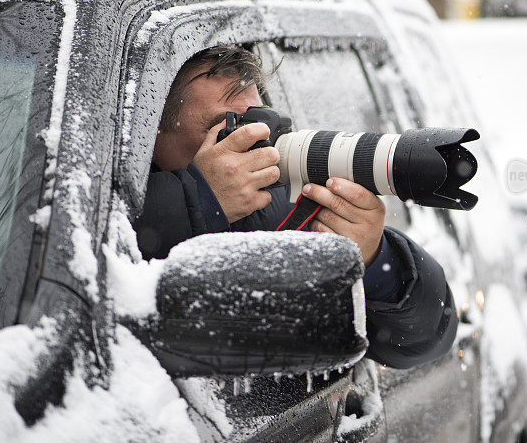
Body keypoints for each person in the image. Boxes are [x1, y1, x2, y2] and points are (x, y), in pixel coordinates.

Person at [133, 45, 458, 369]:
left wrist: (376, 260)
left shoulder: (288, 209)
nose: (256, 147)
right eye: (228, 129)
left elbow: (427, 338)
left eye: (258, 124)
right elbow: (97, 272)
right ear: (150, 136)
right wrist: (198, 199)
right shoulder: (106, 204)